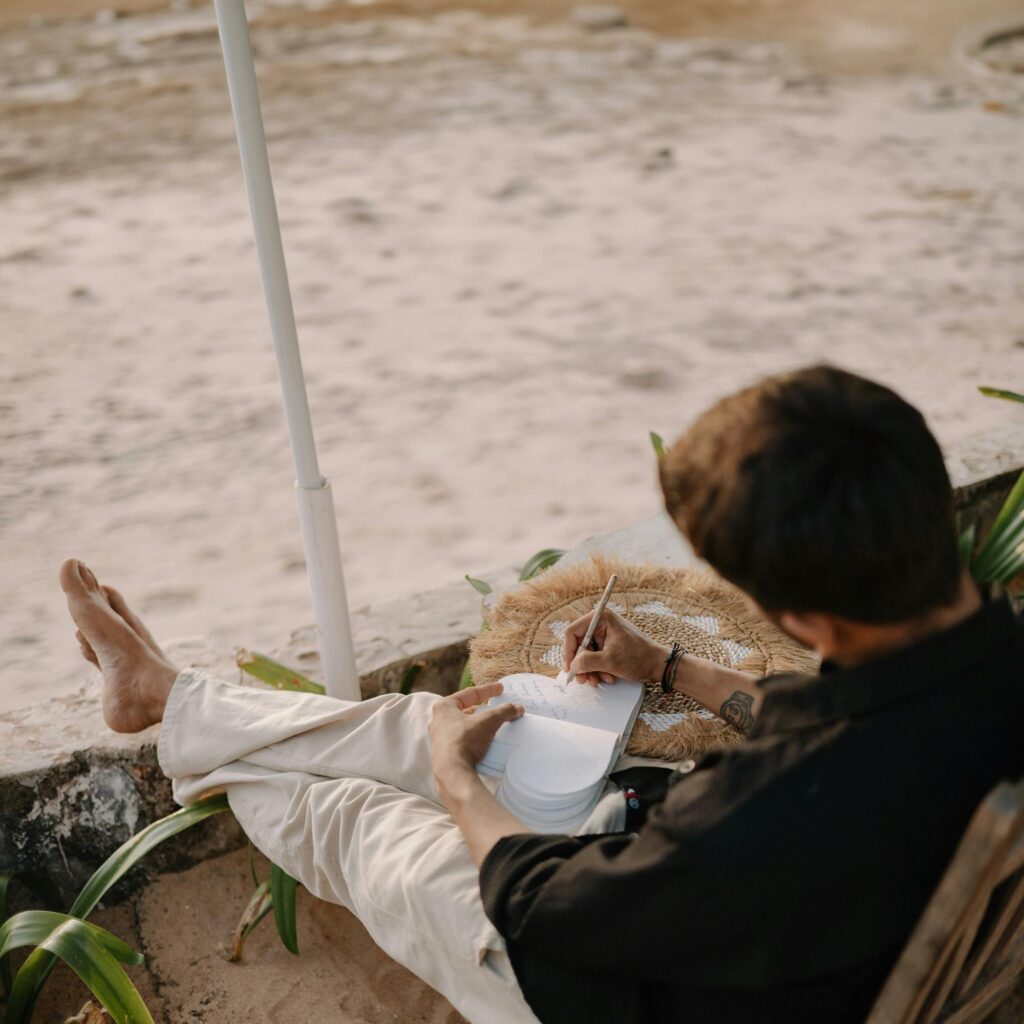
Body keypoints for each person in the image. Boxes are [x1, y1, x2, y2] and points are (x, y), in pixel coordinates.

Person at [61, 365, 1024, 1024]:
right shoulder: (986, 663)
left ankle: (172, 712)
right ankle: (169, 699)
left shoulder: (772, 810)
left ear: (805, 619)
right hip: (779, 915)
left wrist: (459, 785)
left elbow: (540, 905)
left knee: (338, 811)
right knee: (424, 722)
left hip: (609, 979)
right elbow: (844, 725)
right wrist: (669, 670)